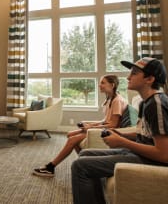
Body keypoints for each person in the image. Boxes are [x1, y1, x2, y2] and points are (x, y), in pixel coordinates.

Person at [71, 57, 168, 204]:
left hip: (151, 161)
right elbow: (144, 134)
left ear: (149, 79)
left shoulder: (157, 104)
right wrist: (119, 134)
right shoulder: (146, 103)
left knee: (80, 166)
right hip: (139, 153)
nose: (128, 77)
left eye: (134, 73)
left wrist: (123, 142)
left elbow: (164, 154)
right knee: (85, 153)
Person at [33, 74, 128, 177]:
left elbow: (113, 124)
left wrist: (91, 127)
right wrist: (89, 124)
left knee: (72, 140)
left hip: (109, 133)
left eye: (103, 83)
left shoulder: (117, 101)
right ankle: (86, 162)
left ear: (112, 85)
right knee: (70, 134)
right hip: (104, 128)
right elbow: (106, 121)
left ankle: (50, 167)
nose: (99, 85)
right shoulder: (110, 99)